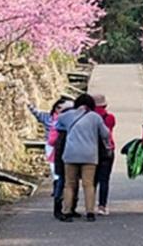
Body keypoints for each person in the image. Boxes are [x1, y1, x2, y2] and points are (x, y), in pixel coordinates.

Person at [55, 93, 111, 222]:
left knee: (69, 184)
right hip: (89, 154)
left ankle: (67, 211)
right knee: (88, 184)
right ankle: (90, 212)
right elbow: (105, 133)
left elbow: (58, 125)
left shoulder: (68, 116)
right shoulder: (95, 117)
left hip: (70, 154)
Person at [92, 93, 116, 216]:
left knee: (92, 180)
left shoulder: (88, 117)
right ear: (105, 105)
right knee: (104, 180)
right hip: (107, 150)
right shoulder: (110, 117)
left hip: (92, 150)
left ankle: (89, 205)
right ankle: (102, 206)